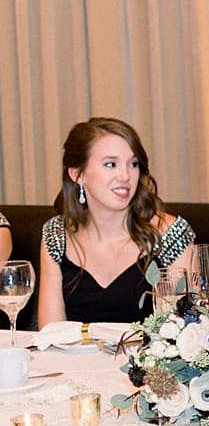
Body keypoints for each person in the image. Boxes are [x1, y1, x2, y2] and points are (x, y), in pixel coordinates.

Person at [39, 117, 195, 325]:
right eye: (110, 164)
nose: (125, 175)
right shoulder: (56, 235)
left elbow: (186, 331)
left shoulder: (170, 234)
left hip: (146, 358)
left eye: (133, 164)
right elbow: (51, 333)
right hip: (76, 359)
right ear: (77, 174)